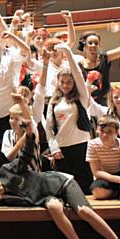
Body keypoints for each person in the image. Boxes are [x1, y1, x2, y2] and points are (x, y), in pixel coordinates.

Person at [0, 124, 120, 239]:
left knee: (84, 211)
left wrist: (29, 135)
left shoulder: (7, 171)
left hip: (59, 182)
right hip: (45, 196)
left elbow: (25, 156)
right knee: (53, 207)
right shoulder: (4, 199)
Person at [45, 44, 93, 193]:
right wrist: (54, 147)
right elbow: (49, 128)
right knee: (65, 188)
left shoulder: (82, 98)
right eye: (62, 82)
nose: (66, 85)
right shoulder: (53, 102)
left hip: (81, 145)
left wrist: (67, 52)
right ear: (58, 83)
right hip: (62, 148)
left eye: (69, 82)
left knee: (85, 186)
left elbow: (78, 73)